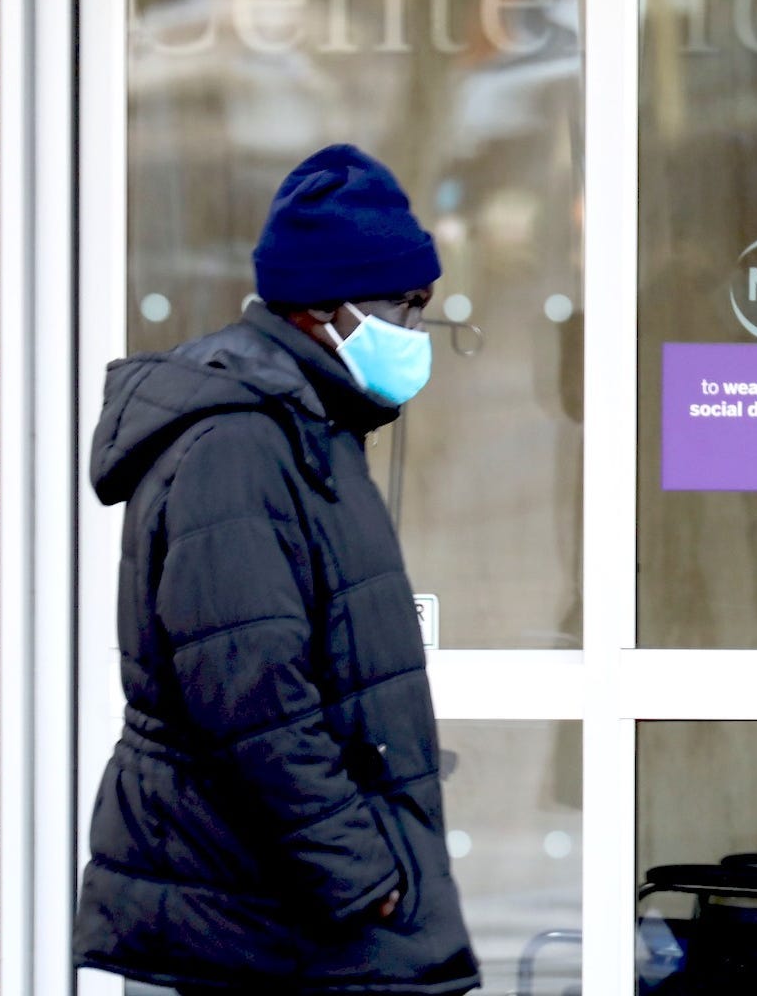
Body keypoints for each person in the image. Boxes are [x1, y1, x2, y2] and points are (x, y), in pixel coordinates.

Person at [74, 145, 479, 996]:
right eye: (404, 307)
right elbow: (250, 696)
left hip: (283, 916)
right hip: (265, 920)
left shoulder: (305, 427)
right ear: (323, 311)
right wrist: (363, 877)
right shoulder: (239, 445)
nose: (416, 330)